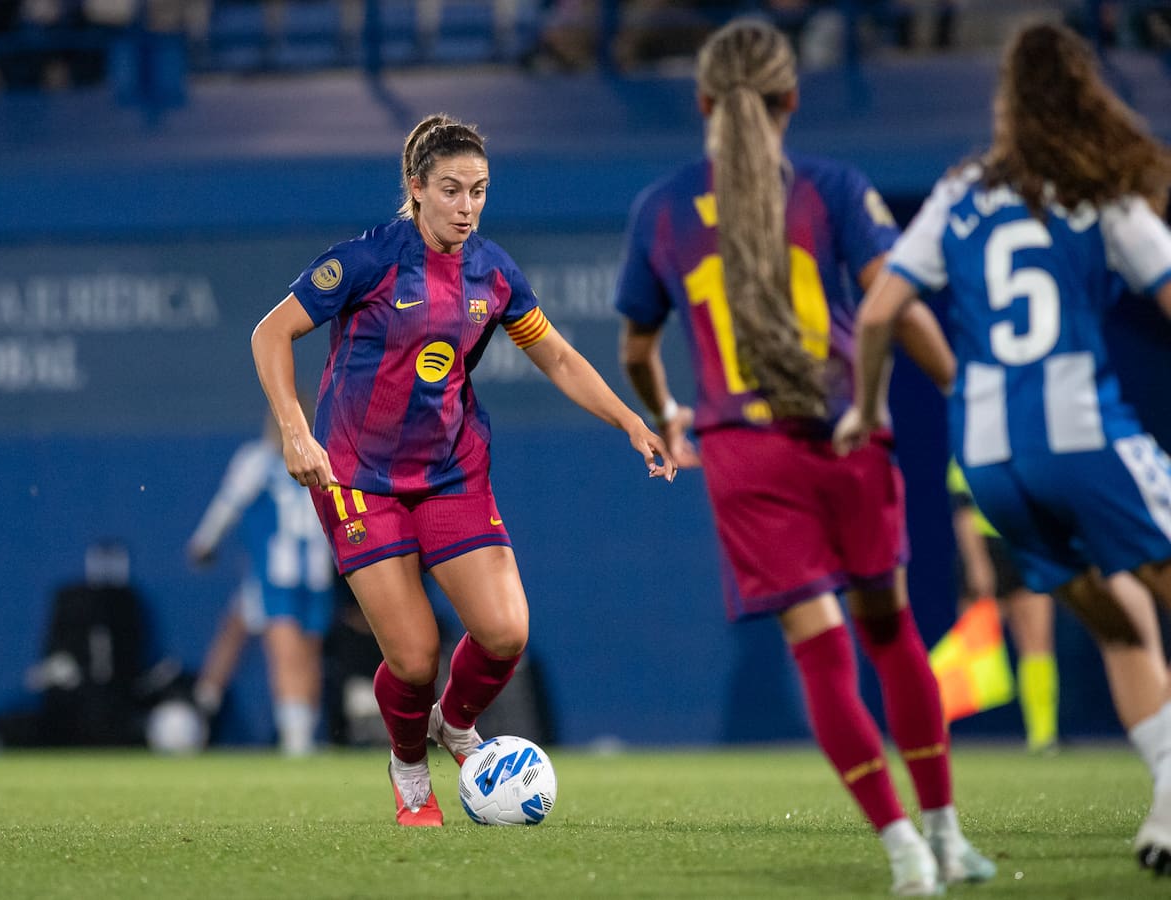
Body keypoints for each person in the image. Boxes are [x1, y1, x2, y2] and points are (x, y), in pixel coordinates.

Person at [613, 17, 993, 897]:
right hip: (845, 436)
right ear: (792, 98)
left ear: (703, 102)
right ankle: (949, 838)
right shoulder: (831, 189)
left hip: (745, 454)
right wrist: (968, 398)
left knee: (821, 659)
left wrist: (667, 409)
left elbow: (637, 346)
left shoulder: (664, 208)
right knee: (892, 637)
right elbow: (900, 310)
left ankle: (904, 855)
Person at [249, 112, 676, 827]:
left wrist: (631, 421)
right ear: (416, 189)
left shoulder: (494, 272)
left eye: (478, 190)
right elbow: (271, 332)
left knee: (506, 632)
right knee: (414, 658)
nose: (467, 207)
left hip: (451, 474)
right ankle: (409, 768)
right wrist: (295, 432)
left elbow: (560, 358)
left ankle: (454, 724)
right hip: (357, 481)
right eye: (451, 190)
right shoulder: (368, 260)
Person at [835, 21, 1171, 877]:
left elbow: (878, 313)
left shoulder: (958, 194)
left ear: (1007, 105)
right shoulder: (1101, 192)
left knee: (1119, 620)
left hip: (991, 465)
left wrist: (867, 407)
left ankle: (1167, 803)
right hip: (1083, 439)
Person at [187, 410, 335, 757]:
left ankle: (302, 738)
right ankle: (295, 741)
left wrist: (204, 544)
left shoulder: (324, 456)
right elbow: (229, 503)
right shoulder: (258, 460)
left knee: (307, 654)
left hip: (314, 572)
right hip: (279, 573)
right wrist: (205, 541)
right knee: (284, 650)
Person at [946, 458, 1059, 752]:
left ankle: (1043, 736)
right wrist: (978, 564)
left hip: (1027, 548)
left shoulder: (1025, 442)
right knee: (971, 647)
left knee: (1037, 643)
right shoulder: (966, 451)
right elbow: (964, 512)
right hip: (987, 549)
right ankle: (936, 728)